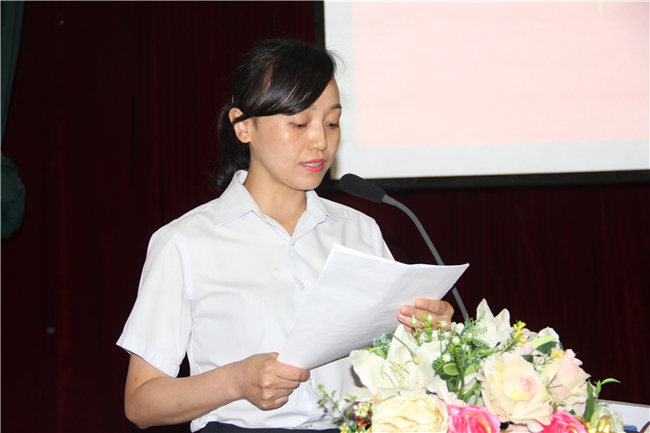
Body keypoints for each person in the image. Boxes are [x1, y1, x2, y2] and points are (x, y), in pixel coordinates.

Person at [117, 39, 454, 433]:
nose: (321, 141)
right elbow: (141, 403)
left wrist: (423, 336)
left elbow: (390, 371)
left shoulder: (359, 230)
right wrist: (235, 381)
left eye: (331, 123)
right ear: (243, 126)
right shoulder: (185, 242)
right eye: (298, 124)